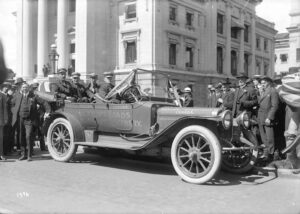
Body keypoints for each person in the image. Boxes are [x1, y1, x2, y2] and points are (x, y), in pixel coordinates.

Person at [11, 83, 51, 161]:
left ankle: (29, 155)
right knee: (21, 137)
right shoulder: (17, 96)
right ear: (21, 88)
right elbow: (11, 104)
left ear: (28, 88)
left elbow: (44, 102)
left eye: (26, 87)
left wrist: (47, 111)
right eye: (23, 87)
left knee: (28, 136)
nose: (24, 88)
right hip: (20, 119)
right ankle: (23, 155)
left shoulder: (33, 96)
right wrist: (14, 111)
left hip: (30, 120)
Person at [257, 76, 279, 163]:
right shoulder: (262, 91)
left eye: (264, 82)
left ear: (269, 83)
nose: (262, 84)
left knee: (270, 138)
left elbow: (275, 106)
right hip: (261, 117)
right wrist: (260, 93)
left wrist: (269, 117)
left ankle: (271, 154)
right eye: (261, 83)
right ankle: (266, 154)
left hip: (267, 118)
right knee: (264, 138)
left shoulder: (273, 91)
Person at [0, 83, 8, 160]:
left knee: (0, 138)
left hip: (0, 120)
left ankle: (1, 154)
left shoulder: (2, 96)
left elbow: (5, 108)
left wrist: (5, 118)